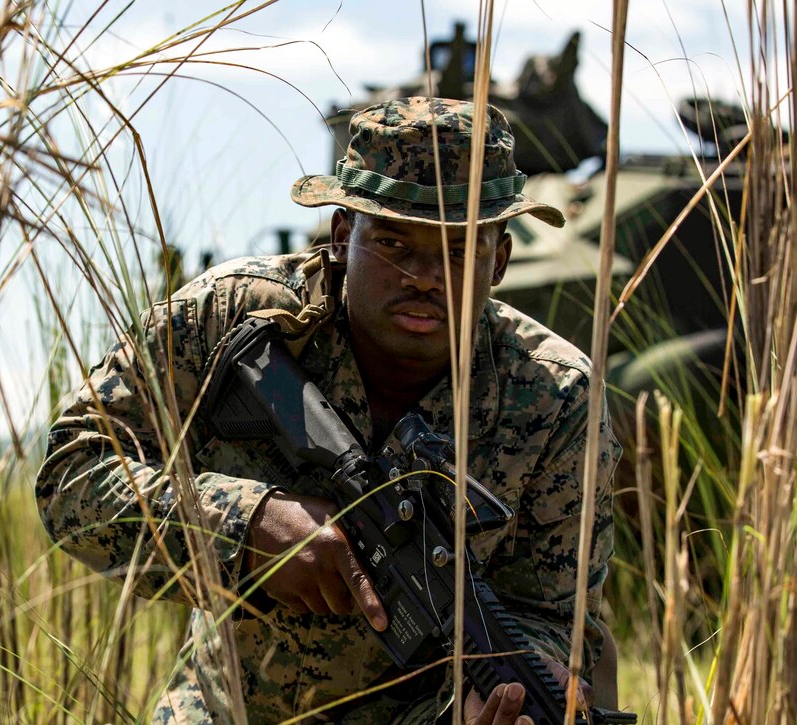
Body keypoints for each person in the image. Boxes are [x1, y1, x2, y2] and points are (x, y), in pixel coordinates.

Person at [36, 96, 621, 724]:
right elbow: (72, 475)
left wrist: (510, 689)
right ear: (344, 236)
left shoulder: (556, 396)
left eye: (457, 251)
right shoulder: (230, 318)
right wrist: (252, 527)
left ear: (499, 260)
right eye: (395, 242)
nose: (425, 277)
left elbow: (553, 611)